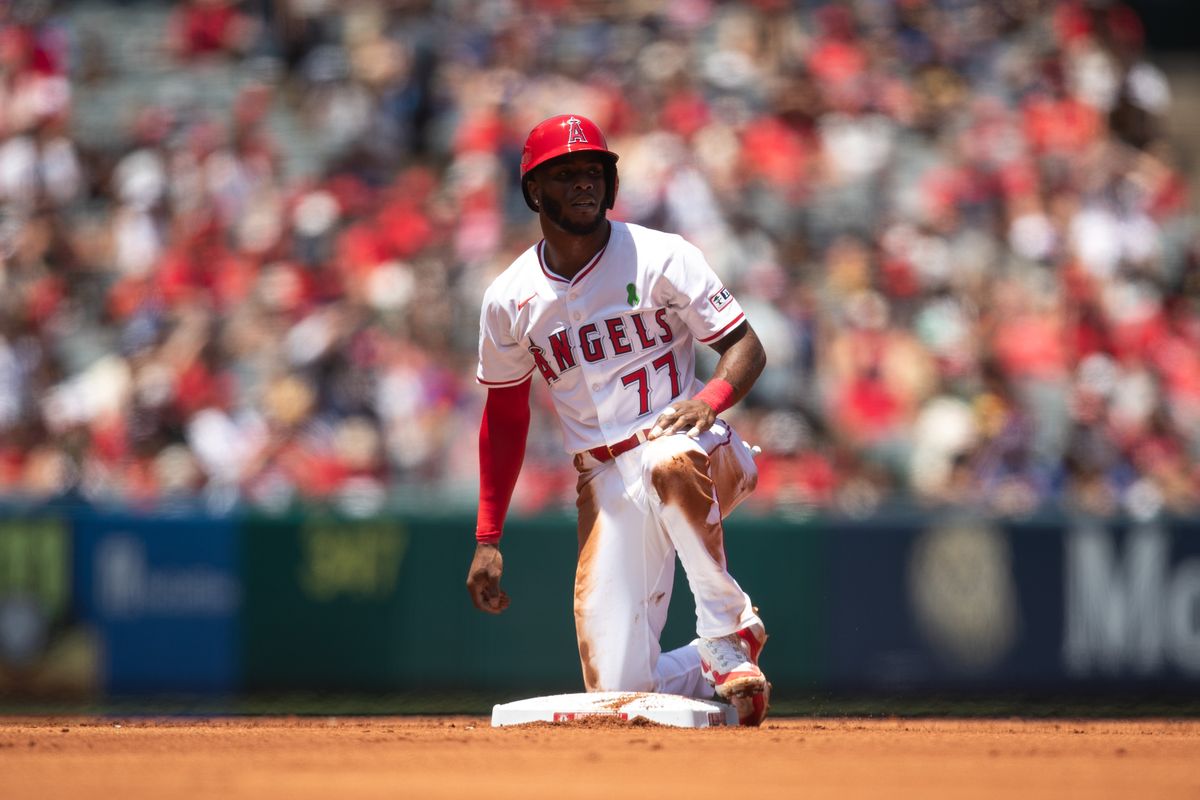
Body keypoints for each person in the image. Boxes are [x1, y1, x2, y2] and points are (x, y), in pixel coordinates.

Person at [465, 114, 770, 726]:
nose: (585, 183)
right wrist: (487, 536)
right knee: (621, 695)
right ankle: (722, 680)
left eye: (594, 170)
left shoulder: (661, 254)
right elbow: (504, 417)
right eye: (567, 172)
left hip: (696, 446)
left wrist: (707, 400)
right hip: (604, 481)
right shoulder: (509, 297)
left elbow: (747, 347)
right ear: (534, 192)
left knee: (667, 458)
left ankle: (726, 632)